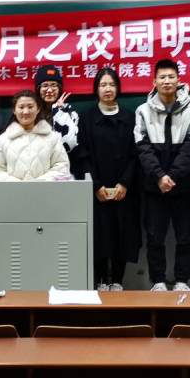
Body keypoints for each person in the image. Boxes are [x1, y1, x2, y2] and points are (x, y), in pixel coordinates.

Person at [133, 59, 190, 292]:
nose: (166, 81)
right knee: (155, 237)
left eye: (171, 77)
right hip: (154, 187)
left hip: (182, 186)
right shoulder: (143, 111)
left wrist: (172, 176)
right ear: (154, 81)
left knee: (186, 235)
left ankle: (182, 280)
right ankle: (158, 281)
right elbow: (142, 147)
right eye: (162, 77)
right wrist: (159, 176)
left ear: (178, 80)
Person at [77, 67, 140, 291]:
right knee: (100, 234)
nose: (107, 89)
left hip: (125, 189)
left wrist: (125, 183)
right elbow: (82, 154)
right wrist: (96, 186)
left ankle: (118, 281)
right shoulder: (86, 117)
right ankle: (101, 280)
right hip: (97, 190)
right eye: (103, 85)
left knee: (122, 234)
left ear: (118, 88)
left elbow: (135, 154)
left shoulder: (130, 117)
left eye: (112, 84)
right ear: (96, 89)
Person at [0, 90, 72, 181]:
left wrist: (39, 183)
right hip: (12, 190)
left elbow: (62, 167)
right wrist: (15, 184)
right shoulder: (3, 139)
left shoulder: (52, 138)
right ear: (14, 110)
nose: (26, 112)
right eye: (21, 107)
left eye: (30, 107)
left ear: (38, 109)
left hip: (46, 189)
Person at [34, 64, 80, 170]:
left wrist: (59, 113)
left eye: (54, 85)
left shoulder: (70, 113)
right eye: (45, 85)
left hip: (62, 169)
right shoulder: (31, 112)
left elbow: (68, 145)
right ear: (38, 89)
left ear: (59, 88)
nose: (49, 90)